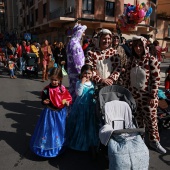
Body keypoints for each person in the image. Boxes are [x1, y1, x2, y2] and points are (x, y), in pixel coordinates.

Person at [124, 36, 166, 154]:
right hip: (134, 97)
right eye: (135, 46)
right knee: (137, 120)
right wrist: (126, 95)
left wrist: (153, 96)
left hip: (148, 98)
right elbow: (127, 78)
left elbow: (156, 80)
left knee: (151, 121)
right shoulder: (131, 60)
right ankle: (139, 141)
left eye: (140, 46)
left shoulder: (151, 59)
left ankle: (154, 142)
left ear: (144, 46)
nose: (138, 48)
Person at [30, 67, 72, 157]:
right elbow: (43, 99)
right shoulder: (46, 89)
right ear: (50, 78)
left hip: (60, 113)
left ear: (60, 79)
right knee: (48, 129)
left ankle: (58, 146)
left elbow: (67, 97)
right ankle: (46, 146)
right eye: (52, 80)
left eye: (56, 80)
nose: (54, 82)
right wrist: (44, 102)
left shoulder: (62, 88)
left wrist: (67, 102)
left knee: (59, 129)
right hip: (49, 112)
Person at [67, 64, 99, 152]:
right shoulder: (79, 82)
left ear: (92, 74)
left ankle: (89, 142)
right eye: (85, 73)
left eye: (89, 73)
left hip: (90, 106)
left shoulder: (92, 83)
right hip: (81, 106)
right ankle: (79, 142)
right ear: (81, 74)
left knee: (89, 124)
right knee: (80, 124)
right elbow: (79, 93)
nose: (87, 76)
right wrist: (82, 82)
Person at [66, 23, 87, 102]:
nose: (84, 34)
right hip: (77, 75)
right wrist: (83, 75)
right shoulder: (75, 44)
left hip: (72, 74)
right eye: (83, 32)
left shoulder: (71, 42)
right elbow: (78, 63)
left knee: (72, 93)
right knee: (76, 97)